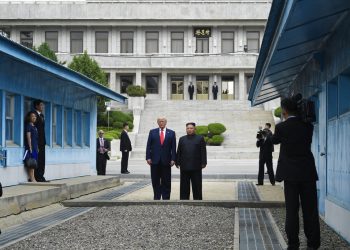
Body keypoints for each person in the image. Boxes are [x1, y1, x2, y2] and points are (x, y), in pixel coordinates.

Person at [272, 97, 320, 250]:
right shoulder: (308, 126)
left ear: (284, 111)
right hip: (307, 172)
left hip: (290, 174)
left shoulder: (281, 127)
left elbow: (274, 141)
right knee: (310, 210)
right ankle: (313, 244)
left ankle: (293, 244)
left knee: (292, 210)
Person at [146, 117, 176, 200]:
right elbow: (148, 145)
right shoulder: (152, 132)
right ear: (157, 123)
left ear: (166, 122)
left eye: (162, 121)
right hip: (154, 161)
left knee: (166, 180)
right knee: (155, 180)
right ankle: (157, 197)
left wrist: (173, 159)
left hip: (166, 161)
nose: (161, 123)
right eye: (159, 121)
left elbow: (173, 147)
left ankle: (166, 197)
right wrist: (148, 157)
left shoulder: (172, 133)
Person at [176, 122, 207, 200]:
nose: (189, 130)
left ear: (195, 129)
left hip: (196, 166)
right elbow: (179, 151)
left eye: (191, 128)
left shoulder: (200, 138)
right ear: (186, 129)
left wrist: (204, 162)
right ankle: (184, 200)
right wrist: (177, 162)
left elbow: (203, 151)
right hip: (184, 166)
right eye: (188, 128)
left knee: (197, 184)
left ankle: (198, 200)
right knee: (184, 185)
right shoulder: (182, 139)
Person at [33, 99, 48, 182]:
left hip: (42, 141)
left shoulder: (42, 115)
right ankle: (37, 176)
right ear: (36, 106)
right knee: (37, 159)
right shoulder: (33, 115)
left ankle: (41, 176)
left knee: (42, 159)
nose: (42, 106)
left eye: (43, 105)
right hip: (37, 141)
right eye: (41, 105)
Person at [24, 112, 39, 182]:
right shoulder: (28, 126)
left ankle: (33, 178)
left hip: (35, 147)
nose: (34, 117)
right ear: (29, 117)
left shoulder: (34, 127)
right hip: (31, 147)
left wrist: (37, 147)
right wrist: (30, 147)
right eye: (32, 116)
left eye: (35, 116)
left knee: (34, 163)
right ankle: (32, 178)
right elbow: (28, 137)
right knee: (31, 163)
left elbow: (36, 138)